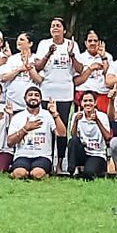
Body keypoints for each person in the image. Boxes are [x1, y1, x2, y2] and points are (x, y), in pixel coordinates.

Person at [35, 18, 80, 171]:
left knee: (62, 129)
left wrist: (71, 54)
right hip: (47, 92)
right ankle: (46, 160)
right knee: (46, 127)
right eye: (53, 26)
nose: (55, 28)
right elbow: (38, 67)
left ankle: (60, 163)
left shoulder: (72, 44)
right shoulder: (44, 44)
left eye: (58, 26)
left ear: (64, 30)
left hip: (65, 93)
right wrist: (48, 53)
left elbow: (79, 69)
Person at [9, 86, 67, 180]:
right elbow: (10, 142)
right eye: (30, 95)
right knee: (20, 174)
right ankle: (20, 172)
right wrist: (25, 129)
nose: (33, 97)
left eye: (36, 95)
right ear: (25, 98)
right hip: (22, 156)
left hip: (43, 156)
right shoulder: (18, 117)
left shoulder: (47, 115)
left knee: (37, 174)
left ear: (40, 99)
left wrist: (55, 114)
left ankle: (39, 173)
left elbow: (62, 134)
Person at [67, 90, 111, 178]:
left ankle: (87, 171)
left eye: (90, 101)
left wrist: (97, 121)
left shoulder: (102, 116)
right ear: (81, 103)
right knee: (73, 141)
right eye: (85, 101)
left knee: (89, 174)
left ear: (95, 103)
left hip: (97, 153)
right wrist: (76, 121)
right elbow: (73, 136)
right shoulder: (77, 115)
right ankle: (71, 171)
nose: (88, 103)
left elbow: (108, 137)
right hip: (83, 152)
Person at [0, 32, 42, 111]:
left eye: (22, 40)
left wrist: (28, 67)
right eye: (17, 39)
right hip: (12, 103)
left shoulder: (37, 59)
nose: (18, 41)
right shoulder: (12, 59)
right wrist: (19, 69)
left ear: (30, 43)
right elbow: (4, 78)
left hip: (31, 103)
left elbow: (39, 80)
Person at [73, 30, 111, 112]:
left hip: (102, 94)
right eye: (90, 41)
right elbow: (75, 82)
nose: (93, 43)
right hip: (83, 94)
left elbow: (109, 77)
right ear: (85, 43)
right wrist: (90, 69)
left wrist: (103, 57)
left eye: (95, 41)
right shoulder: (80, 57)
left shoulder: (108, 56)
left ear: (99, 42)